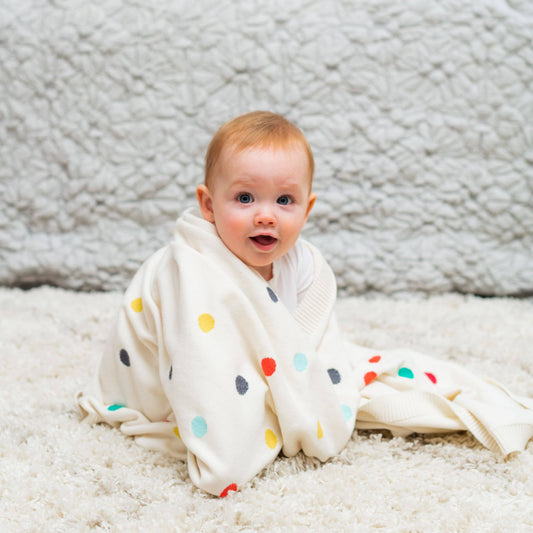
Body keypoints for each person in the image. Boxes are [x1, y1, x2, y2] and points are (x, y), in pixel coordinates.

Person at [77, 111, 533, 498]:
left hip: (248, 370)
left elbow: (309, 346)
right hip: (165, 385)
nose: (266, 214)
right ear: (208, 205)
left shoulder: (302, 267)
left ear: (306, 209)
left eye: (285, 200)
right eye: (244, 197)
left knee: (375, 375)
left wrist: (316, 400)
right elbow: (199, 362)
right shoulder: (189, 272)